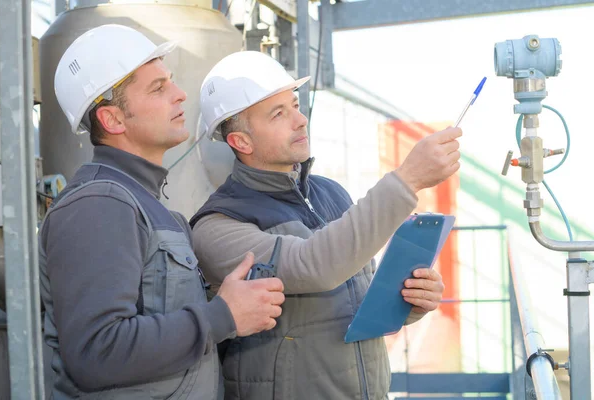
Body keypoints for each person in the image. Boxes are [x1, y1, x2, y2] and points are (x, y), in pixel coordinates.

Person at [190, 51, 460, 400]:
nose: (300, 120)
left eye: (295, 105)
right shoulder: (218, 225)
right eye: (279, 113)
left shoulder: (330, 193)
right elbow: (312, 266)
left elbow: (355, 298)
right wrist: (406, 181)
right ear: (241, 141)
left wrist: (408, 302)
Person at [38, 26, 285, 399]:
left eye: (170, 81)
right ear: (114, 120)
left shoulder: (145, 204)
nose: (180, 94)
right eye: (158, 88)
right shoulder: (100, 204)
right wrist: (222, 316)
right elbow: (95, 352)